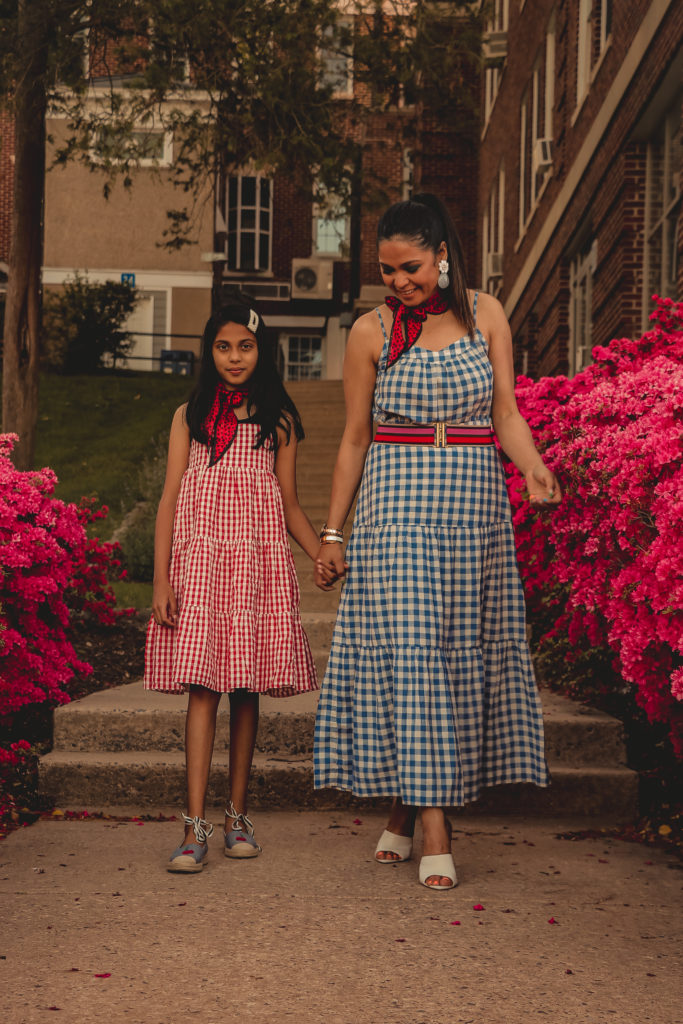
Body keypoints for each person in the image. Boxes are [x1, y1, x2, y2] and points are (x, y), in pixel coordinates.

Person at [312, 194, 561, 891]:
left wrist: (533, 467)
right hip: (396, 508)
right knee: (416, 655)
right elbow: (354, 437)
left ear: (442, 254)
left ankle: (400, 809)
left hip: (473, 507)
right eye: (387, 271)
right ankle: (434, 831)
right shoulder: (370, 332)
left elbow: (505, 412)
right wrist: (334, 533)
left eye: (410, 267)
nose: (398, 282)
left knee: (448, 663)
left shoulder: (486, 315)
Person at [145, 299, 319, 872]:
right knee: (203, 688)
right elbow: (169, 499)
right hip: (201, 564)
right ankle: (193, 827)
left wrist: (323, 552)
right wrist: (161, 578)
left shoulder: (279, 418)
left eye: (245, 345)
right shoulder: (189, 414)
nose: (235, 356)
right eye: (224, 346)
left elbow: (290, 504)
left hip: (255, 565)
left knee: (246, 692)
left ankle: (236, 817)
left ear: (261, 349)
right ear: (209, 351)